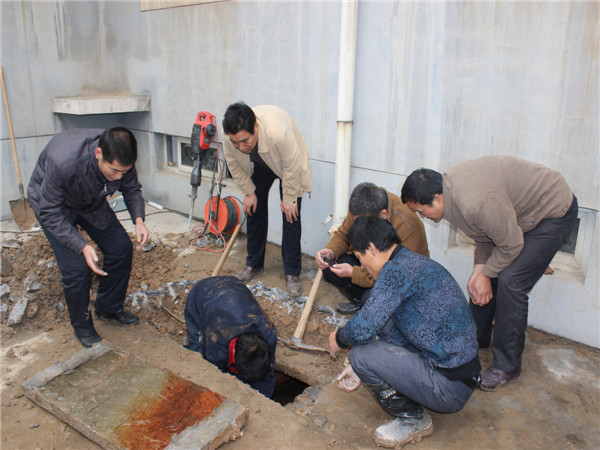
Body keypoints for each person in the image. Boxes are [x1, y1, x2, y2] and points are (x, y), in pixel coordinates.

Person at [400, 155, 578, 391]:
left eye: (421, 211)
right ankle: (476, 338)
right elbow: (485, 233)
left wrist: (486, 273)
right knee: (482, 276)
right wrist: (479, 271)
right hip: (515, 218)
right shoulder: (452, 196)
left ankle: (507, 366)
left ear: (437, 198)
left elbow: (511, 244)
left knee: (512, 281)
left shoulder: (474, 203)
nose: (423, 217)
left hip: (552, 211)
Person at [326, 216, 480, 448]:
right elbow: (379, 320)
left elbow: (364, 326)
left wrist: (338, 339)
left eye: (359, 257)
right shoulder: (409, 260)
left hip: (449, 388)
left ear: (372, 249)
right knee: (376, 307)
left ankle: (414, 420)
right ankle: (390, 372)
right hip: (462, 374)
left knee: (360, 355)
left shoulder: (395, 273)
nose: (362, 266)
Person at [27, 127, 148, 348]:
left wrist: (139, 220)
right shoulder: (63, 162)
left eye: (124, 171)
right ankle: (83, 328)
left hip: (90, 201)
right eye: (114, 171)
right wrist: (81, 245)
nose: (119, 176)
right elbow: (49, 212)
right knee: (77, 268)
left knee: (121, 247)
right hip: (55, 208)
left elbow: (131, 188)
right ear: (98, 154)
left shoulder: (121, 156)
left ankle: (108, 308)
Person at [222, 102, 312, 297]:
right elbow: (233, 165)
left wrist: (289, 198)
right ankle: (253, 263)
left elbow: (293, 165)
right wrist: (249, 192)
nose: (240, 147)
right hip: (260, 164)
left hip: (286, 165)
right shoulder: (229, 136)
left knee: (291, 214)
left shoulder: (278, 133)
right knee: (253, 207)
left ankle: (292, 273)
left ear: (255, 127)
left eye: (244, 141)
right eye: (236, 143)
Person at [315, 182, 429, 314]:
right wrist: (331, 251)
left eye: (362, 223)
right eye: (356, 221)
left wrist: (354, 273)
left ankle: (368, 302)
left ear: (383, 216)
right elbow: (343, 235)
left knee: (372, 301)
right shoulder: (361, 208)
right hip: (372, 260)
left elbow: (398, 275)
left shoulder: (408, 226)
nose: (358, 226)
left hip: (400, 277)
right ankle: (358, 298)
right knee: (330, 269)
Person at [184, 276, 277, 398]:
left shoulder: (269, 335)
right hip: (202, 294)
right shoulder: (217, 346)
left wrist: (264, 399)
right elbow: (218, 376)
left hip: (233, 285)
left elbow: (268, 375)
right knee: (199, 358)